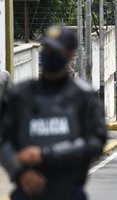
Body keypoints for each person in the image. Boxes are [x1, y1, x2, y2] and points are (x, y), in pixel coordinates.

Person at [0, 25, 107, 200]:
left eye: (56, 50)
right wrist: (19, 172)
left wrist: (45, 155)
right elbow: (4, 140)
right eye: (47, 48)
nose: (49, 53)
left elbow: (96, 142)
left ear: (70, 54)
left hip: (68, 191)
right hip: (26, 192)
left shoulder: (83, 97)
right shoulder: (20, 95)